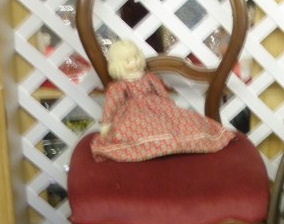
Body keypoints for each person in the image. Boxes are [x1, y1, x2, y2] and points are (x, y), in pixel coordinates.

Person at [91, 39, 235, 162]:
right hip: (134, 114)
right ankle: (151, 147)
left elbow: (161, 92)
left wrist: (169, 107)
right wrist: (106, 123)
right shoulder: (120, 86)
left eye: (135, 57)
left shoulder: (148, 78)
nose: (134, 63)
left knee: (176, 123)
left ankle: (174, 143)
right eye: (128, 61)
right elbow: (112, 103)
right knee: (137, 128)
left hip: (158, 107)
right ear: (118, 64)